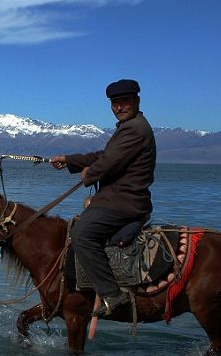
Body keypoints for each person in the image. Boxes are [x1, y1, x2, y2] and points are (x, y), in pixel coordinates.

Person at [49, 79, 157, 318]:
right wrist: (69, 160)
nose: (119, 107)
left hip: (124, 201)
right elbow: (105, 155)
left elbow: (107, 163)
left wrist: (90, 173)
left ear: (136, 101)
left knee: (81, 234)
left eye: (124, 102)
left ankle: (112, 294)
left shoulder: (135, 129)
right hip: (118, 198)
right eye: (115, 103)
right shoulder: (129, 126)